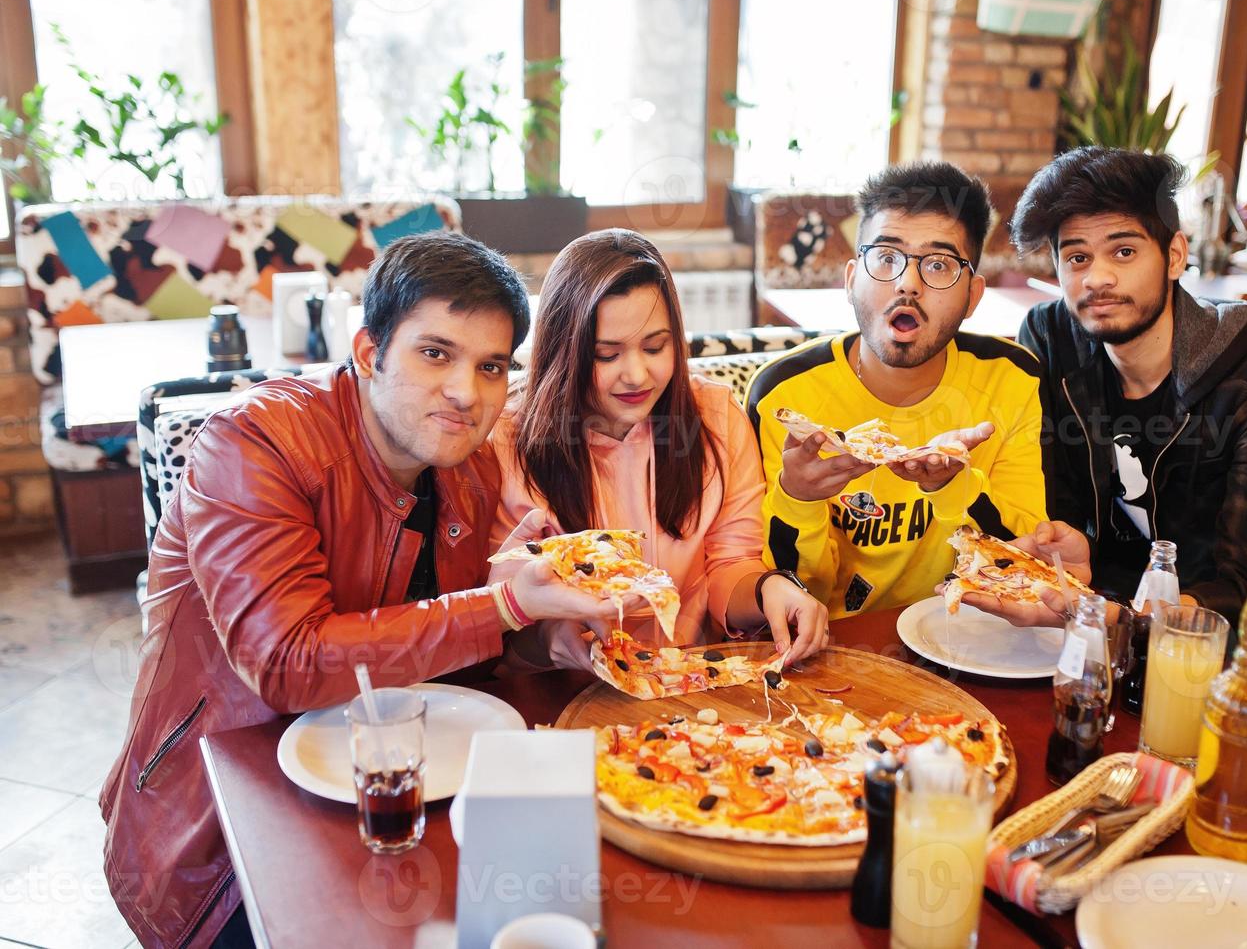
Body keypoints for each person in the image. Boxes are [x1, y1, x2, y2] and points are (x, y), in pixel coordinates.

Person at [100, 233, 631, 948]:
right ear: (369, 351)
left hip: (405, 791)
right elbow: (285, 660)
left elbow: (459, 655)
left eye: (491, 366)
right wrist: (501, 606)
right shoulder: (253, 444)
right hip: (226, 828)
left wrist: (544, 636)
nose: (464, 393)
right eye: (434, 353)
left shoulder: (466, 466)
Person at [994, 146, 1247, 688]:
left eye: (1123, 252)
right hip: (1087, 628)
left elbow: (1246, 589)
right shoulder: (1051, 342)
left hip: (1220, 663)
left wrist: (1124, 621)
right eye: (1076, 258)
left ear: (1173, 255)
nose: (1096, 278)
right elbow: (1054, 505)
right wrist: (1071, 547)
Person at [490, 229, 828, 670]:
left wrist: (769, 590)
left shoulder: (715, 417)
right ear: (562, 353)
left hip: (690, 685)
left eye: (655, 347)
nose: (637, 375)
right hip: (556, 695)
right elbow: (499, 610)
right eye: (606, 355)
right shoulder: (504, 439)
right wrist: (553, 636)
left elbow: (732, 562)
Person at [744, 160, 1049, 619]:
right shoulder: (785, 396)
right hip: (838, 649)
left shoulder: (1012, 377)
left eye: (939, 264)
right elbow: (792, 593)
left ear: (973, 296)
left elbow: (1022, 566)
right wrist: (798, 497)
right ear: (850, 280)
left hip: (969, 639)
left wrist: (954, 485)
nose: (908, 283)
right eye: (886, 257)